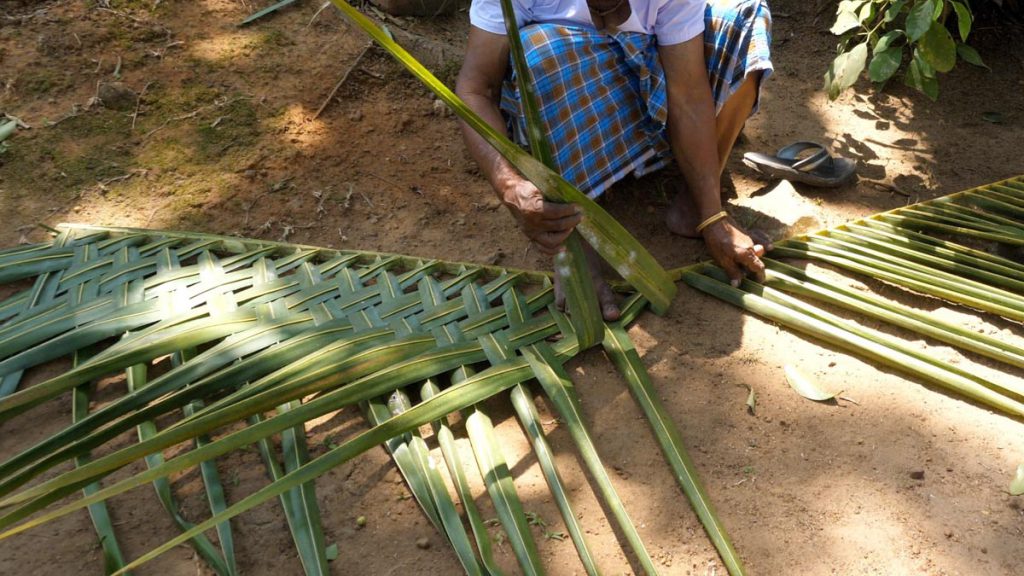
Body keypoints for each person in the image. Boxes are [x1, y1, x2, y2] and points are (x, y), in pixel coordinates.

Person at [456, 0, 774, 320]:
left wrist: (712, 215)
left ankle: (694, 202)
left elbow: (688, 92)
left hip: (648, 73)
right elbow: (476, 90)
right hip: (563, 95)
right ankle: (575, 233)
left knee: (745, 19)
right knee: (540, 50)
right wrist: (509, 185)